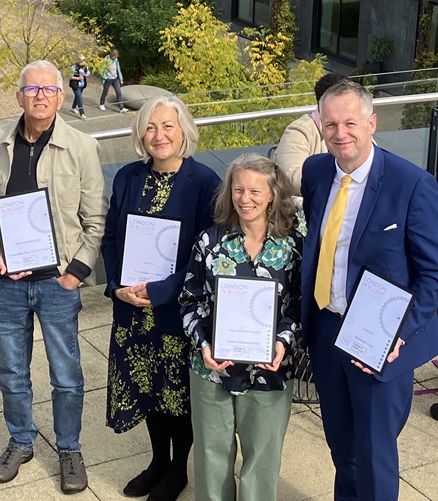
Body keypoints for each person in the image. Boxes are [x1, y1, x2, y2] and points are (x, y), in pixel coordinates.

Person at [0, 60, 107, 494]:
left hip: (56, 281)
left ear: (61, 98)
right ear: (19, 96)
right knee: (11, 371)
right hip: (5, 281)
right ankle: (21, 441)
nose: (40, 95)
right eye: (32, 89)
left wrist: (75, 273)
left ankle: (68, 448)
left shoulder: (81, 146)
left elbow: (95, 220)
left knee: (66, 372)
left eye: (49, 89)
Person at [300, 79, 438, 501]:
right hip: (326, 331)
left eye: (351, 123)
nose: (341, 134)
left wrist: (401, 332)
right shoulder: (315, 172)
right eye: (331, 124)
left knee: (376, 455)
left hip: (381, 340)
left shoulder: (412, 184)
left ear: (372, 123)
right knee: (342, 447)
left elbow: (433, 275)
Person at [102, 96, 220, 500]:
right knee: (147, 387)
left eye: (168, 126)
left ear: (183, 130)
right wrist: (117, 284)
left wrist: (161, 291)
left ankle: (177, 470)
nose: (159, 135)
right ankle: (157, 461)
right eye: (151, 128)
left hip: (175, 308)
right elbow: (112, 237)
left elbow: (205, 254)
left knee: (177, 391)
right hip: (133, 307)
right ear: (141, 135)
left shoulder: (206, 184)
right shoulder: (127, 178)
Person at [181, 153, 303, 501]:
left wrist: (283, 341)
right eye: (238, 190)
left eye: (254, 191)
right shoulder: (210, 241)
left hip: (270, 370)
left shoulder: (293, 246)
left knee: (262, 463)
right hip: (211, 369)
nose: (245, 199)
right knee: (211, 459)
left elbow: (298, 306)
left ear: (272, 195)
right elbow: (189, 301)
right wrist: (203, 344)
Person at [274, 72, 346, 195]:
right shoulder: (299, 131)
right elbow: (291, 181)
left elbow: (373, 165)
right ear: (321, 105)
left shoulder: (357, 128)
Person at [98, 49, 128, 114]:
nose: (116, 58)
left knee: (118, 92)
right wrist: (104, 77)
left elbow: (118, 69)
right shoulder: (106, 60)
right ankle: (101, 104)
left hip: (115, 78)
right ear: (112, 55)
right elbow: (101, 70)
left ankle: (121, 108)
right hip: (108, 79)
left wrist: (121, 78)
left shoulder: (116, 61)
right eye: (115, 57)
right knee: (105, 92)